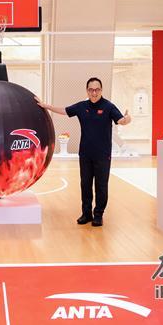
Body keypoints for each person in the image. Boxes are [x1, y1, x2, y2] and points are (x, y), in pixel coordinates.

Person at [37, 77, 131, 227]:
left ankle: (98, 215)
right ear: (87, 91)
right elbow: (64, 110)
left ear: (101, 90)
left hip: (103, 155)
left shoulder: (108, 107)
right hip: (85, 154)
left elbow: (121, 120)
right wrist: (45, 106)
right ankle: (86, 214)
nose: (94, 93)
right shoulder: (81, 106)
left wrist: (127, 119)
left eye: (97, 90)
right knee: (85, 185)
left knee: (101, 186)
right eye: (91, 90)